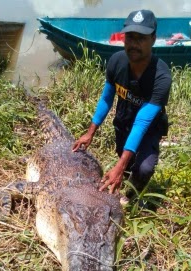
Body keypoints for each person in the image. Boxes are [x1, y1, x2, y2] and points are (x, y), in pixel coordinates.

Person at [72, 9, 171, 204]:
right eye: (130, 37)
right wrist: (90, 132)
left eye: (141, 38)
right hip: (124, 122)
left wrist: (119, 165)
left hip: (149, 128)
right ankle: (123, 175)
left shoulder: (161, 76)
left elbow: (143, 122)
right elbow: (106, 98)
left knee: (144, 168)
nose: (134, 44)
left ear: (153, 39)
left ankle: (131, 197)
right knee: (125, 162)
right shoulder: (116, 61)